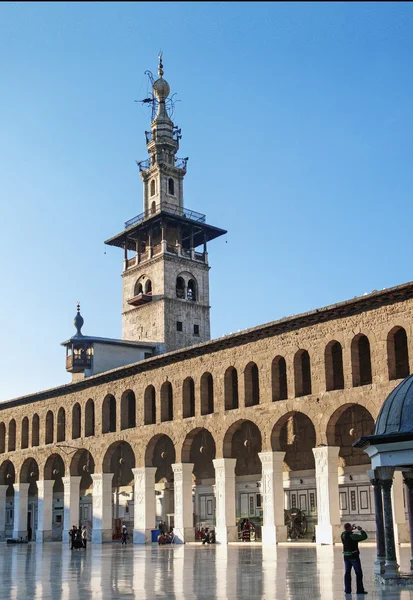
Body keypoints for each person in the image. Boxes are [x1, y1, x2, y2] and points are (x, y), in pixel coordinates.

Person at [341, 523, 368, 595]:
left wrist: (352, 529)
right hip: (354, 557)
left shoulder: (343, 535)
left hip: (346, 557)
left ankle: (347, 590)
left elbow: (347, 532)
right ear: (349, 528)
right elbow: (364, 536)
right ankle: (360, 590)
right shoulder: (353, 536)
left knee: (347, 573)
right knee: (358, 573)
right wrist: (360, 530)